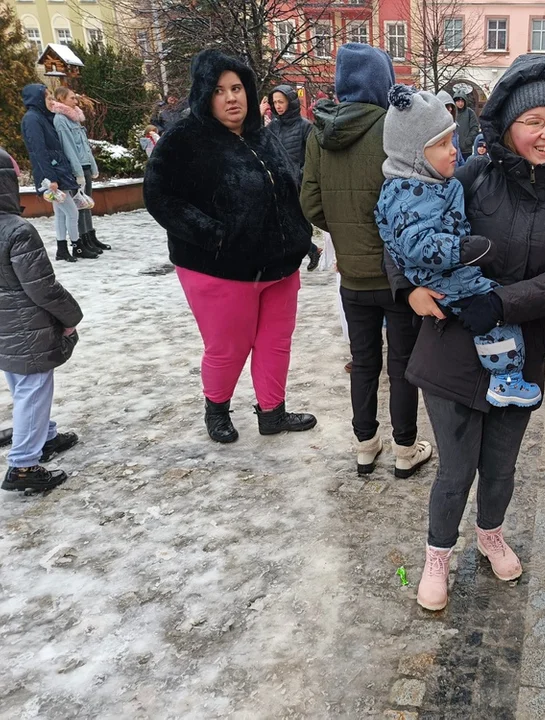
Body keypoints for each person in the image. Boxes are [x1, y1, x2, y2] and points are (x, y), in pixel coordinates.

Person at [383, 54, 545, 612]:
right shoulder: (468, 178)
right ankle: (437, 554)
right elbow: (403, 227)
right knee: (455, 467)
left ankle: (490, 534)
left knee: (500, 465)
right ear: (508, 126)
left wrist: (500, 302)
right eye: (533, 121)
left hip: (521, 353)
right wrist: (407, 289)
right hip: (452, 351)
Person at [144, 50, 316, 444]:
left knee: (276, 342)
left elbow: (285, 192)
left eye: (237, 88)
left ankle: (272, 412)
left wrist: (300, 236)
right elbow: (160, 197)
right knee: (228, 347)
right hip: (219, 269)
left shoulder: (262, 136)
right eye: (220, 90)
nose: (231, 98)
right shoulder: (184, 140)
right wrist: (214, 234)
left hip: (278, 265)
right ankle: (217, 408)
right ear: (205, 94)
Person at [300, 43, 433, 478]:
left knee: (363, 362)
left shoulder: (318, 133)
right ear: (382, 82)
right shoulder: (393, 126)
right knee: (401, 365)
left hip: (352, 276)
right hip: (396, 273)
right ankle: (404, 449)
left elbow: (311, 203)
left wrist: (343, 231)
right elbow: (412, 197)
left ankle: (364, 444)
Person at [376, 85, 543, 408]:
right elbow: (414, 243)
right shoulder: (412, 193)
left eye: (451, 140)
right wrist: (462, 249)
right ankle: (505, 377)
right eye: (441, 144)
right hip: (444, 275)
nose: (453, 150)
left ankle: (503, 375)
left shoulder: (430, 183)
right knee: (493, 312)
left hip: (442, 272)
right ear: (414, 153)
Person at [0, 148, 82, 495]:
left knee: (22, 383)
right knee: (34, 387)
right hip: (26, 324)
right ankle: (23, 465)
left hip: (5, 327)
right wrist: (70, 317)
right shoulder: (16, 230)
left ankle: (43, 435)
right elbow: (43, 288)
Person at [20, 84, 89, 263]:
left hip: (57, 170)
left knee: (61, 213)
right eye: (48, 98)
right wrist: (50, 177)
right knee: (72, 212)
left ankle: (62, 249)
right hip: (52, 173)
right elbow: (38, 150)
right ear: (37, 99)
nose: (51, 101)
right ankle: (76, 246)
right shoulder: (32, 119)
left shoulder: (42, 117)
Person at [261, 84, 322, 271]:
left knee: (296, 224)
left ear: (291, 101)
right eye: (275, 102)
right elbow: (258, 144)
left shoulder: (305, 127)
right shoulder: (272, 127)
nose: (278, 106)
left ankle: (310, 249)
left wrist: (299, 174)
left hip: (299, 184)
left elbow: (313, 158)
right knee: (282, 224)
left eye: (282, 101)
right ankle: (310, 250)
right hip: (277, 184)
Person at [51, 87, 110, 258]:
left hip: (84, 164)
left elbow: (84, 145)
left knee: (87, 203)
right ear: (61, 99)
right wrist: (78, 171)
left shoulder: (74, 117)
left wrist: (93, 166)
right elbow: (69, 147)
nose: (76, 101)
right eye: (72, 98)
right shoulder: (61, 119)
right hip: (77, 167)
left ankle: (90, 236)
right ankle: (82, 240)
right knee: (80, 205)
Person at [437, 91, 466, 167]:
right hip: (445, 168)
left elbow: (457, 150)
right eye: (447, 106)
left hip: (456, 166)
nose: (450, 109)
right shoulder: (436, 129)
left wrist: (463, 166)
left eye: (451, 106)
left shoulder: (454, 126)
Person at [453, 91, 480, 158]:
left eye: (462, 101)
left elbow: (475, 127)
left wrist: (468, 141)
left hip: (466, 150)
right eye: (458, 101)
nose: (460, 103)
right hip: (453, 149)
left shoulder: (470, 112)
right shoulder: (452, 113)